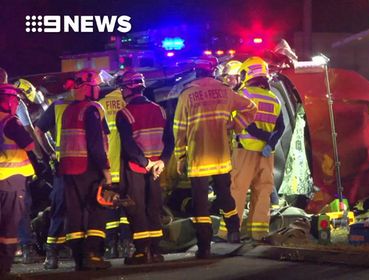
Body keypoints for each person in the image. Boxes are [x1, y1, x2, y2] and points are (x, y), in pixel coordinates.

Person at [173, 58, 257, 258]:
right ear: (213, 71)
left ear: (196, 72)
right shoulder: (226, 91)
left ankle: (204, 247)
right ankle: (234, 232)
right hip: (221, 158)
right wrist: (235, 125)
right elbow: (251, 108)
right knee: (225, 195)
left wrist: (180, 156)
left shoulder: (186, 95)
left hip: (198, 160)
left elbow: (179, 129)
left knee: (200, 204)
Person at [116, 70, 172, 265]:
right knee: (154, 207)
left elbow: (129, 146)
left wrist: (146, 163)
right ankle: (155, 251)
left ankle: (141, 252)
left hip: (136, 169)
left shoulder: (124, 114)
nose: (122, 91)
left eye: (123, 87)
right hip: (157, 169)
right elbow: (169, 141)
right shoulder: (161, 110)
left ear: (130, 89)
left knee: (136, 209)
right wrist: (162, 162)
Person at [59, 69, 111, 270]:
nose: (98, 89)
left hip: (69, 169)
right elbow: (96, 144)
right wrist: (106, 170)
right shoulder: (91, 110)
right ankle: (93, 254)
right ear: (89, 87)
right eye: (97, 85)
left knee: (75, 212)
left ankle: (79, 257)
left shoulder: (69, 110)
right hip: (88, 167)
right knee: (98, 208)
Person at [228, 56, 285, 240]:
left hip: (245, 149)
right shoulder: (274, 98)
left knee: (237, 189)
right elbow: (281, 127)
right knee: (263, 191)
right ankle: (259, 232)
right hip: (267, 154)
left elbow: (242, 122)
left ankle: (230, 231)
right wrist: (270, 142)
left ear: (248, 73)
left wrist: (262, 136)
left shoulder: (245, 95)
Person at [34, 87, 75, 269]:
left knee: (69, 210)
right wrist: (49, 153)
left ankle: (70, 253)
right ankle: (53, 253)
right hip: (65, 168)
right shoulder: (59, 107)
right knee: (60, 209)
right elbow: (38, 130)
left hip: (76, 168)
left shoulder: (92, 106)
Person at [0, 82, 36, 277]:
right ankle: (4, 268)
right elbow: (29, 145)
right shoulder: (10, 122)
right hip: (11, 180)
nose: (15, 104)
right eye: (14, 100)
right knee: (9, 226)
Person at [98, 88, 132, 259]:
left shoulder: (99, 105)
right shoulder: (127, 104)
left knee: (110, 207)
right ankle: (127, 244)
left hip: (107, 168)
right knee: (125, 208)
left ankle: (111, 247)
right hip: (125, 167)